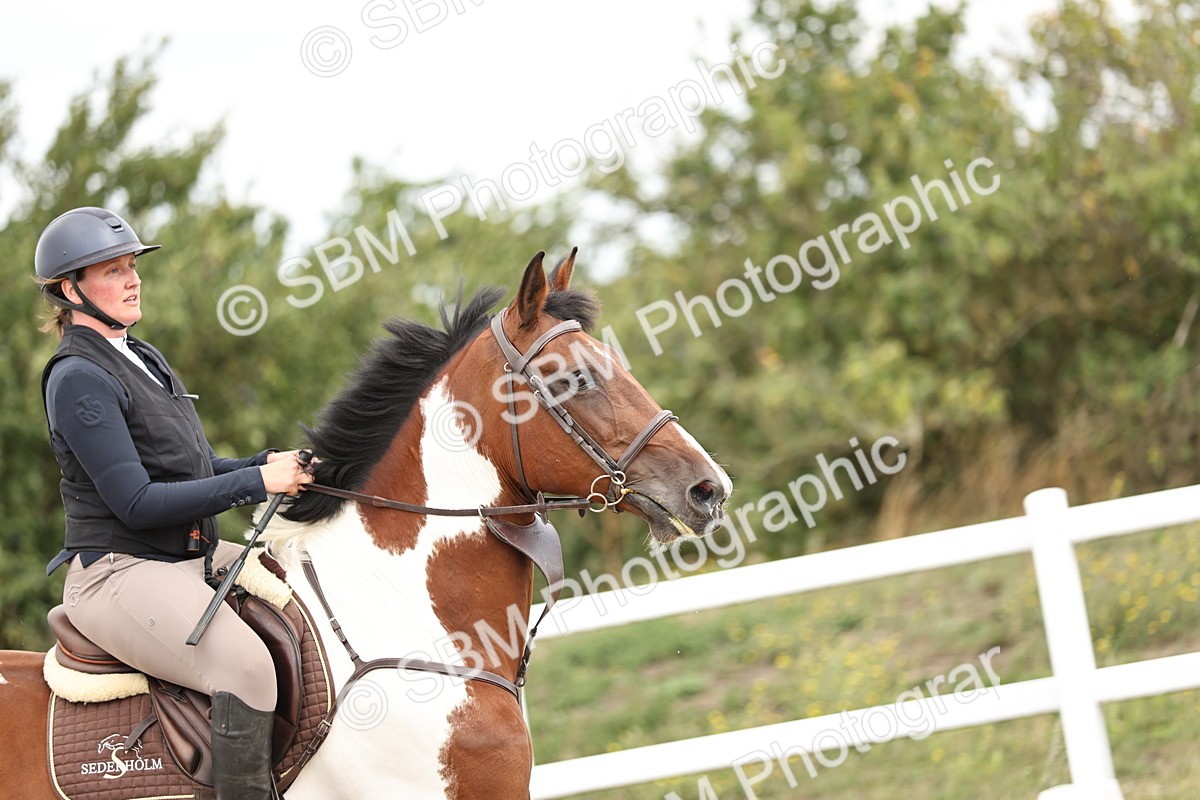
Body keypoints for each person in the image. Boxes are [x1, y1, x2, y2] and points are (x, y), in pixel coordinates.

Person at [35, 206, 313, 800]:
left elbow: (193, 470)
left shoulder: (141, 355)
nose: (133, 279)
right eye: (113, 270)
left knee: (307, 581)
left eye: (132, 266)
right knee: (246, 668)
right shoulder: (78, 377)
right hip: (120, 572)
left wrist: (264, 465)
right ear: (70, 289)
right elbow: (137, 502)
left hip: (186, 553)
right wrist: (257, 485)